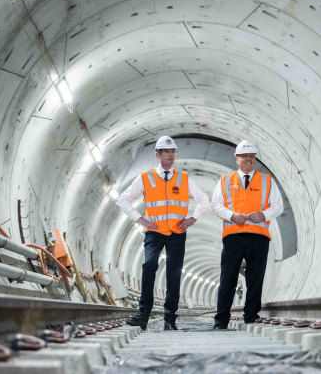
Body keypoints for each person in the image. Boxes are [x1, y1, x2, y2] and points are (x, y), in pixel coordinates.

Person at [117, 135, 210, 330]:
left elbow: (204, 200)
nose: (170, 155)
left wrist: (193, 218)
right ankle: (143, 315)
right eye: (166, 152)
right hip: (154, 231)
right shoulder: (146, 177)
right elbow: (122, 199)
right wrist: (139, 218)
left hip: (177, 232)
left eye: (172, 152)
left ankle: (170, 319)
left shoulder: (183, 178)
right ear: (157, 155)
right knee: (149, 265)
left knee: (173, 274)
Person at [210, 140, 284, 329]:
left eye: (251, 156)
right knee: (228, 279)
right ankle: (221, 321)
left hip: (259, 236)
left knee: (255, 279)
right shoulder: (226, 180)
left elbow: (278, 206)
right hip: (233, 235)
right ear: (237, 159)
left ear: (255, 159)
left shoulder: (267, 180)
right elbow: (216, 205)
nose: (248, 159)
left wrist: (264, 215)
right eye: (244, 156)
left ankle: (251, 317)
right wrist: (232, 215)